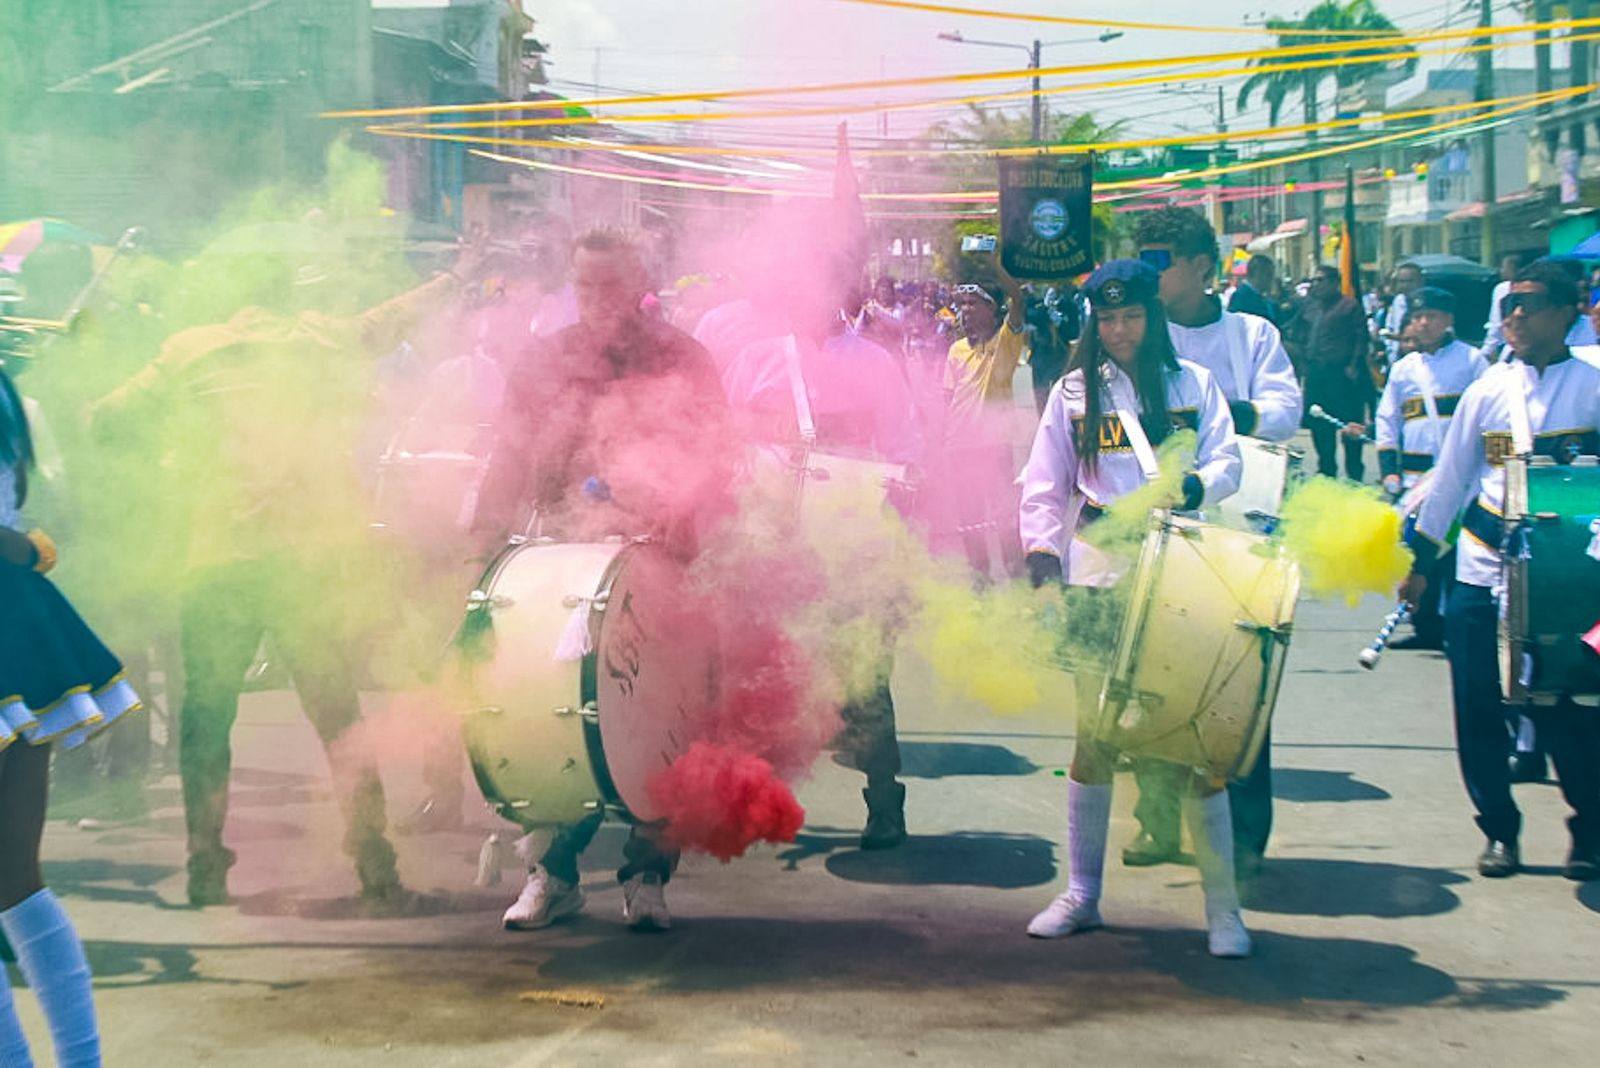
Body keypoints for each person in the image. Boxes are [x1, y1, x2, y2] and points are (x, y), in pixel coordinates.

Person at [86, 249, 471, 909]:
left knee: (206, 716)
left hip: (218, 560)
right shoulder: (318, 339)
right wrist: (449, 280)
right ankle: (374, 861)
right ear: (289, 291)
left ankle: (205, 864)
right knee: (336, 712)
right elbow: (388, 319)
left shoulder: (189, 351)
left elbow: (107, 422)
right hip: (304, 562)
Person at [475, 228, 734, 932]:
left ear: (640, 283)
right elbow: (507, 455)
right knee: (549, 710)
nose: (597, 300)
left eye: (611, 285)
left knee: (662, 719)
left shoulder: (684, 358)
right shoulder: (543, 360)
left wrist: (681, 511)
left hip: (663, 559)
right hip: (564, 555)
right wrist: (483, 543)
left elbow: (719, 456)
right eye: (585, 286)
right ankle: (552, 874)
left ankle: (648, 876)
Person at [1018, 259, 1251, 957]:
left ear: (1153, 317)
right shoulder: (1073, 394)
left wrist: (1195, 488)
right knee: (1093, 737)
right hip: (1100, 573)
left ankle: (1224, 910)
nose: (1120, 330)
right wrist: (1042, 563)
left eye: (1132, 316)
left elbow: (1230, 460)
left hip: (1185, 576)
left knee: (1197, 745)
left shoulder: (1194, 384)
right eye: (1109, 319)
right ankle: (1081, 894)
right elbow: (1044, 483)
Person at [1400, 260, 1600, 882]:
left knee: (1572, 705)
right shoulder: (1487, 391)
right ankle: (1498, 830)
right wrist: (1419, 560)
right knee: (1479, 704)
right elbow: (1450, 480)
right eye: (1510, 304)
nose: (1515, 315)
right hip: (1483, 571)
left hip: (1568, 580)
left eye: (1530, 304)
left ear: (1566, 312)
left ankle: (1590, 832)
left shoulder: (1592, 385)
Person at [1127, 206, 1302, 875]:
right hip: (1158, 528)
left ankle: (1245, 840)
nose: (1148, 272)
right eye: (1142, 258)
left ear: (1202, 265)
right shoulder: (1135, 334)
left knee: (1239, 682)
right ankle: (1157, 822)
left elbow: (1283, 412)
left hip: (1237, 532)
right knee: (1152, 677)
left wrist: (1221, 413)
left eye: (1160, 260)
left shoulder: (1252, 333)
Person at [2, 366, 141, 1068]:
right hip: (16, 618)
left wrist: (25, 546)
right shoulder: (8, 389)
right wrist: (27, 547)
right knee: (15, 880)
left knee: (14, 881)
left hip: (12, 618)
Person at [1375, 287, 1487, 650]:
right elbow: (1387, 419)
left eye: (1432, 316)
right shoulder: (1403, 369)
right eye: (1418, 317)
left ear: (1448, 320)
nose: (1424, 323)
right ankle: (1425, 628)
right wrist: (1389, 469)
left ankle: (1457, 628)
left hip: (1459, 478)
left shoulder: (1472, 361)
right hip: (1415, 478)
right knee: (1417, 551)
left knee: (1455, 554)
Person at [943, 270, 1029, 579]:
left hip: (994, 445)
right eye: (962, 304)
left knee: (1004, 514)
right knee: (970, 519)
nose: (964, 311)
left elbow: (1018, 300)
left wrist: (997, 266)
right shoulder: (956, 349)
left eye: (973, 304)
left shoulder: (1006, 342)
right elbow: (946, 398)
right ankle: (979, 576)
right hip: (959, 446)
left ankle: (1015, 573)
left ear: (993, 309)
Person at [1294, 265, 1372, 482]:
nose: (1316, 284)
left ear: (1334, 282)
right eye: (1314, 280)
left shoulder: (1349, 306)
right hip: (1317, 377)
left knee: (1349, 430)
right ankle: (1327, 473)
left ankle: (1354, 478)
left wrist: (1354, 365)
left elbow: (1361, 339)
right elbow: (1297, 333)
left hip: (1343, 378)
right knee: (1321, 429)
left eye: (1321, 280)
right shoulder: (1310, 307)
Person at [1480, 252, 1526, 361]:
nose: (1502, 271)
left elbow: (1496, 322)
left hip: (1507, 344)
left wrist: (1487, 350)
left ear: (1514, 269)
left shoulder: (1502, 289)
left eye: (1504, 267)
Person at [1383, 261, 1424, 368]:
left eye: (1410, 281)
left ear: (1420, 281)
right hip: (1397, 358)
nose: (1405, 285)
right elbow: (1390, 326)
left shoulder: (1427, 302)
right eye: (1401, 281)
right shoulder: (1398, 301)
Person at [1227, 254, 1280, 325]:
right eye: (1268, 274)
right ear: (1253, 273)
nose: (1271, 279)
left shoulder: (1263, 298)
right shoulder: (1242, 297)